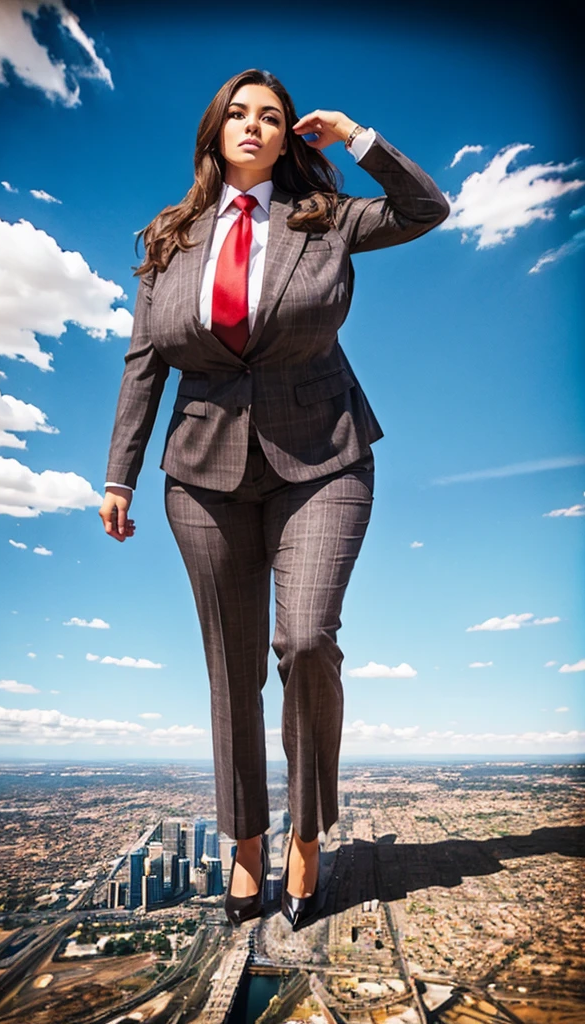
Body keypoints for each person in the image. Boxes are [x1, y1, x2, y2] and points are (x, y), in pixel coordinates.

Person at [99, 68, 449, 931]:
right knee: (234, 670)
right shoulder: (169, 237)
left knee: (305, 640)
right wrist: (119, 474)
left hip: (324, 458)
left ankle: (307, 836)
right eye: (239, 114)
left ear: (291, 135)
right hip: (203, 475)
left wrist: (358, 138)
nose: (255, 126)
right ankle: (246, 847)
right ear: (215, 132)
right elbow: (145, 363)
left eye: (274, 117)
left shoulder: (321, 219)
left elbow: (425, 210)